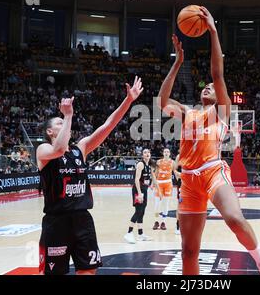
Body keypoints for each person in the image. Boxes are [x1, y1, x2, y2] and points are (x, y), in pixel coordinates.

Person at [156, 7, 260, 275]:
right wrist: (178, 62)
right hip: (189, 180)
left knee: (234, 219)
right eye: (204, 86)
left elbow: (217, 75)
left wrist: (213, 31)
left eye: (211, 88)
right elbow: (162, 102)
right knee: (189, 251)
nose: (208, 87)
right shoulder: (188, 112)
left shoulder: (221, 112)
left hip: (213, 171)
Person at [36, 76, 143, 275]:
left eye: (64, 121)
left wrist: (128, 101)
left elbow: (108, 126)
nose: (64, 123)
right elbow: (59, 149)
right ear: (50, 131)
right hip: (56, 221)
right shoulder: (44, 150)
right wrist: (67, 116)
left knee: (88, 270)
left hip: (82, 219)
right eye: (59, 123)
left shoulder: (80, 149)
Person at [124, 148, 155, 244]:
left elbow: (153, 177)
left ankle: (141, 234)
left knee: (142, 212)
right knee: (138, 211)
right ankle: (128, 233)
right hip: (138, 190)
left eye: (148, 152)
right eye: (145, 152)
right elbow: (136, 180)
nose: (147, 154)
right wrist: (139, 193)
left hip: (144, 190)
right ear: (142, 155)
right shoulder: (140, 164)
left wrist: (158, 188)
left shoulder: (150, 165)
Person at [152, 148, 179, 231]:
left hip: (168, 184)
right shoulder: (159, 162)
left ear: (170, 153)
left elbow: (175, 173)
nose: (166, 153)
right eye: (165, 152)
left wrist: (180, 182)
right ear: (163, 153)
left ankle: (163, 222)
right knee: (157, 204)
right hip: (159, 184)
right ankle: (156, 222)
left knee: (166, 204)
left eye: (168, 152)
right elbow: (155, 173)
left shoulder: (173, 162)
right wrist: (153, 183)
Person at [174, 153, 182, 235]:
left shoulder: (195, 154)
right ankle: (178, 225)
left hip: (192, 183)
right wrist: (178, 177)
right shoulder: (179, 156)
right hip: (182, 183)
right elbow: (175, 170)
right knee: (180, 204)